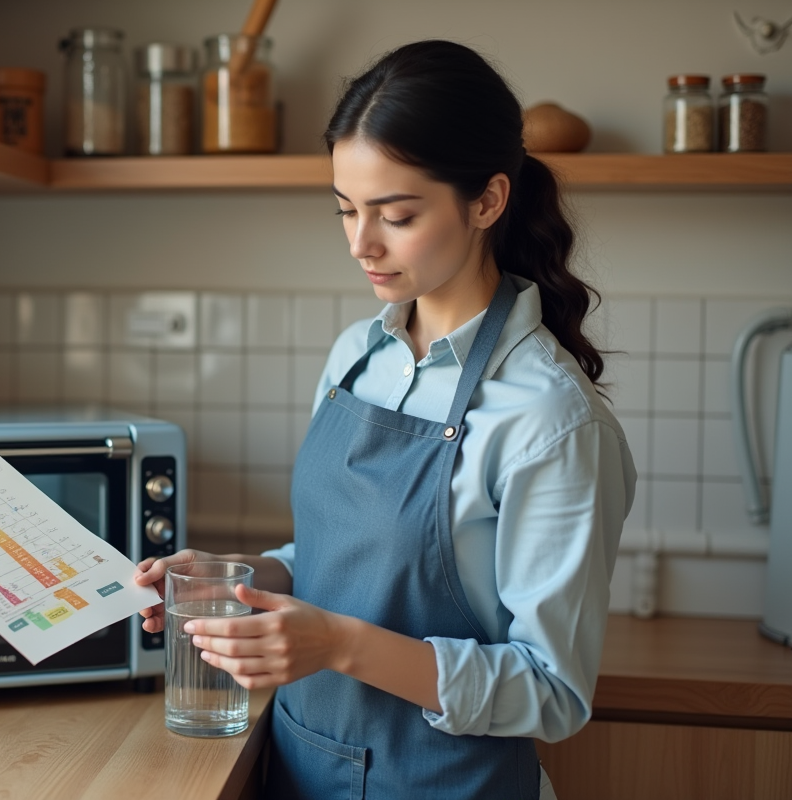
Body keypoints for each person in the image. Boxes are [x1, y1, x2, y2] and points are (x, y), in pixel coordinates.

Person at [134, 39, 637, 800]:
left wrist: (336, 644)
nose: (360, 244)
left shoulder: (551, 420)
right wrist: (234, 579)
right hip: (299, 766)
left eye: (396, 216)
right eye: (345, 209)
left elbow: (551, 692)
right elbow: (341, 562)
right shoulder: (356, 357)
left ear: (487, 201)